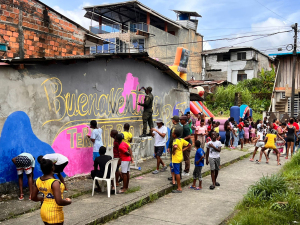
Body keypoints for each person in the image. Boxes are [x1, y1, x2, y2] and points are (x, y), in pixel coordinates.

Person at [31, 159, 71, 225]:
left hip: (44, 211)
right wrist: (69, 201)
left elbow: (33, 197)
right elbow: (59, 201)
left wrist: (43, 198)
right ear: (52, 168)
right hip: (55, 213)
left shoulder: (38, 181)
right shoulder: (54, 183)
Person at [170, 129, 191, 193]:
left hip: (176, 158)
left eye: (173, 133)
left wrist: (173, 151)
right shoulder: (181, 140)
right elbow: (189, 144)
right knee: (171, 166)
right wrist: (182, 150)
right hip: (179, 157)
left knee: (177, 173)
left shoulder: (175, 140)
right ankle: (174, 180)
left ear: (175, 135)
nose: (172, 134)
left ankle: (179, 188)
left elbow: (175, 146)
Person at [167, 115, 183, 181]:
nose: (172, 121)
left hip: (174, 145)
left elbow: (171, 138)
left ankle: (175, 176)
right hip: (180, 144)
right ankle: (180, 174)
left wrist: (169, 146)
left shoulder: (174, 128)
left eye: (172, 120)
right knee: (179, 161)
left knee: (174, 161)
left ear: (174, 120)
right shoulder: (181, 127)